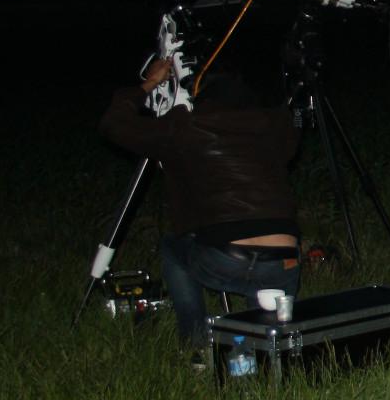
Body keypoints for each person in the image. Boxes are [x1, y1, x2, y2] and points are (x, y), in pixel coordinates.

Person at [100, 52, 302, 356]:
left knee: (173, 249)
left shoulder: (185, 126)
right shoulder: (273, 126)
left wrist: (149, 84)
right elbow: (293, 129)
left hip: (225, 257)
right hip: (284, 261)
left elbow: (114, 124)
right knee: (267, 341)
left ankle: (196, 346)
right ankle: (262, 351)